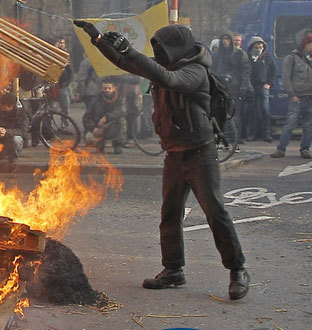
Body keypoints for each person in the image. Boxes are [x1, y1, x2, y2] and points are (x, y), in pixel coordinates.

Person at [74, 20, 249, 300]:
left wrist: (131, 51)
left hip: (200, 153)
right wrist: (97, 39)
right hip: (174, 153)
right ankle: (173, 270)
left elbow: (167, 79)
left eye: (163, 48)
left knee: (215, 212)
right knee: (170, 213)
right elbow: (127, 63)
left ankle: (237, 269)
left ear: (177, 49)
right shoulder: (169, 64)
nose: (160, 54)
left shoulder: (194, 71)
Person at [270, 33, 312, 159]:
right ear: (305, 44)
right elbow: (286, 78)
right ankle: (281, 149)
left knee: (309, 126)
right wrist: (292, 94)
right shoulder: (292, 58)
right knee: (290, 124)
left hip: (310, 98)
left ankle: (305, 149)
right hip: (297, 98)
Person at [212, 33, 251, 139]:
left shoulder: (240, 54)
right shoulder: (216, 55)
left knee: (235, 114)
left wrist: (243, 88)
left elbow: (245, 72)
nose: (226, 41)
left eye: (228, 39)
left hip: (235, 88)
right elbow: (212, 71)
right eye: (224, 39)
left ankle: (235, 138)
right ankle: (224, 136)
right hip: (220, 88)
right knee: (220, 114)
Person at [0, 92, 26, 173]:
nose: (5, 108)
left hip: (11, 137)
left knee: (17, 139)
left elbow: (23, 131)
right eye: (3, 105)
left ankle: (13, 161)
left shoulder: (21, 113)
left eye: (8, 106)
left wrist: (7, 132)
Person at [245, 36, 276, 143]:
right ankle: (251, 134)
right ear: (251, 47)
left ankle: (266, 134)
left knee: (265, 111)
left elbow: (273, 70)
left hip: (263, 86)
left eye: (260, 47)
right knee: (252, 111)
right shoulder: (247, 57)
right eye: (256, 47)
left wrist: (269, 83)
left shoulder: (267, 57)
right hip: (251, 87)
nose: (258, 49)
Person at [82, 77, 125, 154]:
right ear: (101, 88)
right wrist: (93, 128)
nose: (107, 90)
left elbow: (119, 112)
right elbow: (86, 117)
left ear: (114, 88)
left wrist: (106, 117)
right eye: (105, 88)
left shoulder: (118, 99)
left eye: (109, 88)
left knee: (119, 122)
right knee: (89, 138)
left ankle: (117, 144)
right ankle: (99, 145)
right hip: (97, 127)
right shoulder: (95, 100)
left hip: (112, 126)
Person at [76, 55, 101, 143]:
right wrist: (83, 93)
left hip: (99, 91)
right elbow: (81, 79)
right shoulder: (87, 62)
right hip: (91, 92)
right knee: (91, 114)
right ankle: (89, 137)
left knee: (97, 115)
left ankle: (94, 138)